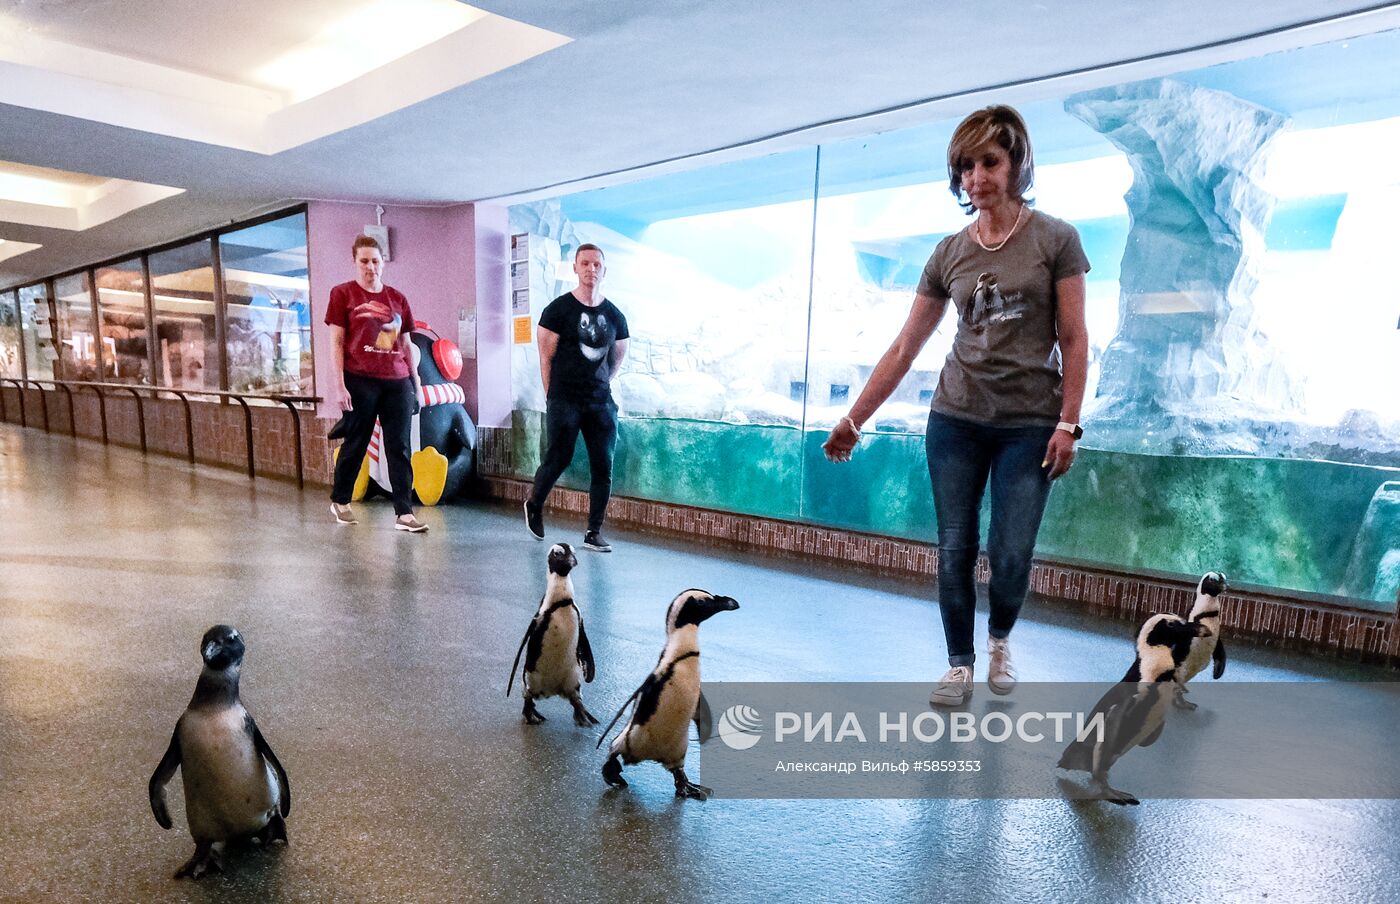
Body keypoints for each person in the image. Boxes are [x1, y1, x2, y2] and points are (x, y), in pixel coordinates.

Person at [822, 105, 1090, 706]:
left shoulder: (1057, 240)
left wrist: (1069, 422)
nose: (976, 177)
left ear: (1017, 164)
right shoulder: (948, 253)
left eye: (988, 163)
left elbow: (1074, 338)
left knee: (1012, 549)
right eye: (965, 167)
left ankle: (999, 639)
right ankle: (959, 662)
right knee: (955, 545)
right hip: (956, 419)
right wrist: (852, 419)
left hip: (1030, 424)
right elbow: (904, 345)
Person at [523, 243, 629, 552]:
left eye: (596, 264)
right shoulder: (557, 310)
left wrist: (600, 386)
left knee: (603, 466)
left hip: (599, 401)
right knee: (559, 456)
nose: (591, 269)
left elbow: (617, 356)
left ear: (603, 270)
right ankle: (534, 504)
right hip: (564, 398)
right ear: (575, 267)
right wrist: (551, 397)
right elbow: (546, 357)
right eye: (585, 263)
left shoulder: (615, 316)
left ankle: (593, 531)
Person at [325, 234, 428, 532]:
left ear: (383, 263)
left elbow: (407, 344)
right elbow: (337, 342)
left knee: (399, 447)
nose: (370, 267)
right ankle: (341, 500)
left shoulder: (397, 298)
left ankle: (404, 512)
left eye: (375, 261)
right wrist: (339, 386)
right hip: (360, 380)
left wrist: (416, 383)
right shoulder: (342, 294)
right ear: (355, 262)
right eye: (364, 261)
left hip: (397, 382)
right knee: (357, 443)